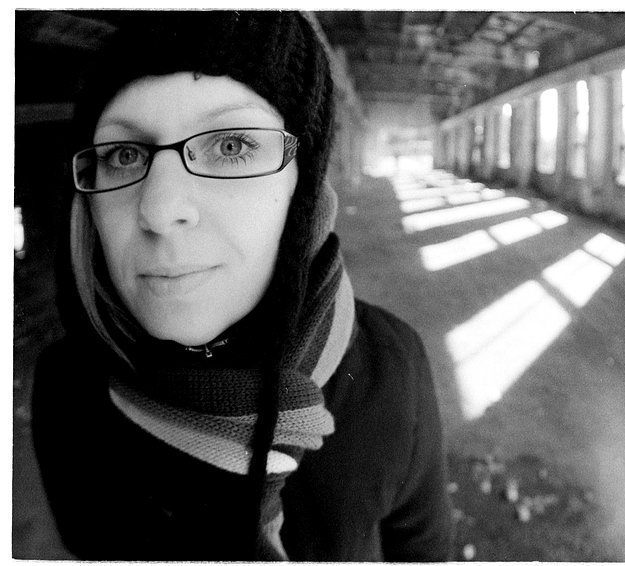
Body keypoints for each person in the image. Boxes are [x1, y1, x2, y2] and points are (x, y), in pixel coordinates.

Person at [31, 11, 453, 561]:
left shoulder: (391, 371)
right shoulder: (66, 391)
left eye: (231, 146)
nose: (158, 209)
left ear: (303, 185)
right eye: (124, 155)